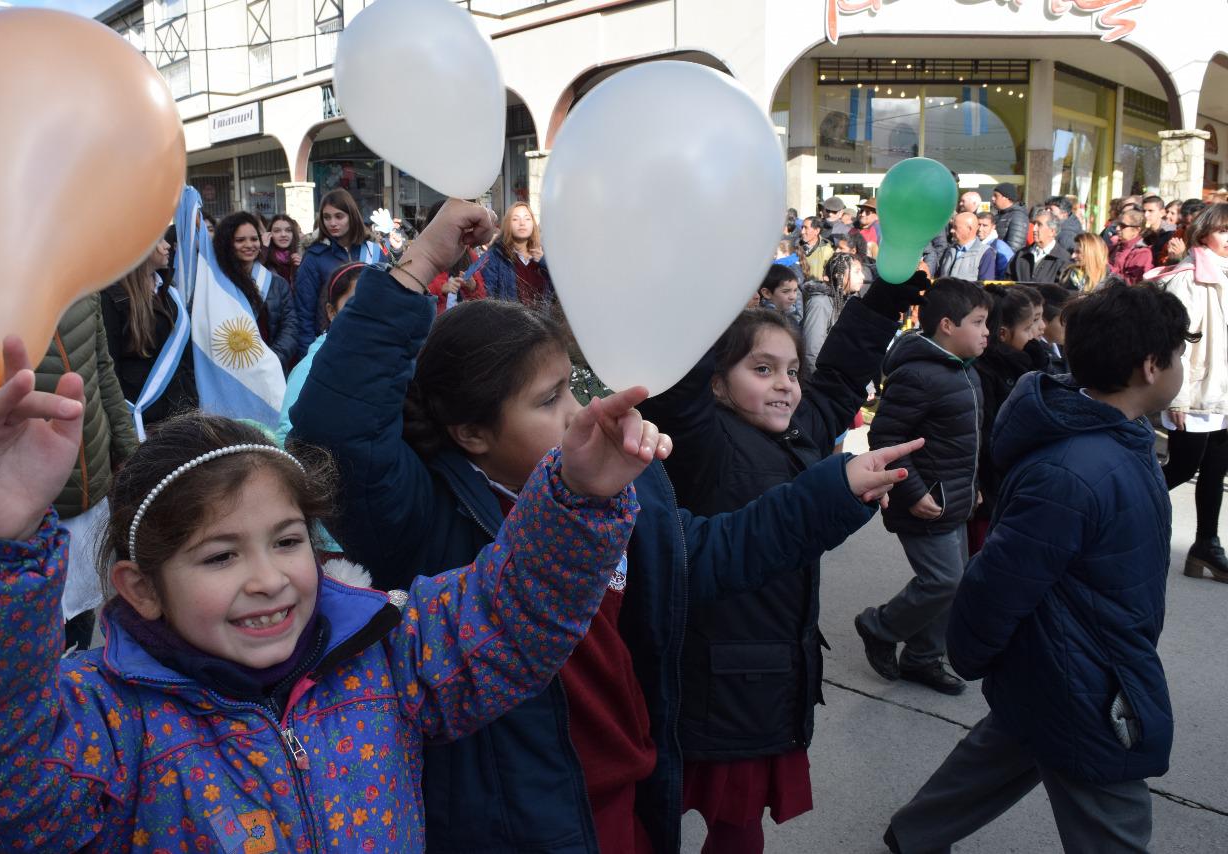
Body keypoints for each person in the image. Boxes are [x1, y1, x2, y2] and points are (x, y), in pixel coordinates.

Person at [289, 199, 917, 854]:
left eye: (570, 388)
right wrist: (420, 264)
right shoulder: (429, 519)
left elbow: (705, 553)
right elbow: (340, 432)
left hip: (629, 796)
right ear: (471, 432)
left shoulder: (614, 483)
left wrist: (831, 492)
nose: (574, 415)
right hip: (522, 819)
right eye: (546, 400)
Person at [0, 328, 656, 851]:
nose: (268, 580)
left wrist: (579, 496)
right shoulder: (109, 719)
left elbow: (509, 613)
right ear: (141, 589)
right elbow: (2, 796)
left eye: (287, 541)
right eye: (220, 556)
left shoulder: (386, 649)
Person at [883, 284, 1195, 854]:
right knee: (1112, 805)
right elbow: (999, 579)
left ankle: (914, 835)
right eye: (1179, 352)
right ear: (1151, 366)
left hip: (1068, 660)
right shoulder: (1076, 469)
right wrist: (973, 651)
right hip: (1085, 672)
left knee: (1015, 739)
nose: (1184, 364)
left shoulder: (1116, 442)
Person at [638, 274, 914, 854]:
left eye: (791, 371)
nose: (786, 386)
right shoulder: (702, 438)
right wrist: (708, 291)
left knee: (737, 829)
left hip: (766, 681)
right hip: (716, 683)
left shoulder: (798, 432)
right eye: (761, 370)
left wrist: (886, 298)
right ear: (716, 382)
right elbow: (677, 390)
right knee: (675, 821)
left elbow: (838, 379)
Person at [855, 279, 993, 696]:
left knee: (953, 584)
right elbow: (887, 438)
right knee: (942, 582)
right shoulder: (919, 374)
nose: (987, 331)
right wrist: (913, 492)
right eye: (979, 322)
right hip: (925, 502)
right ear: (947, 325)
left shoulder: (964, 371)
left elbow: (964, 441)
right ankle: (879, 626)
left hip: (953, 498)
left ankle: (922, 658)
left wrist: (974, 486)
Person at [36, 294, 140, 650]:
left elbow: (103, 371)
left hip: (92, 485)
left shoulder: (83, 288)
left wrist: (128, 451)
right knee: (37, 627)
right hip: (32, 501)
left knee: (82, 612)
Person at [1145, 202, 1228, 582]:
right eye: (1224, 230)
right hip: (1193, 390)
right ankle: (1117, 512)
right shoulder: (1189, 276)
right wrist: (1175, 395)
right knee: (1183, 465)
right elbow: (1174, 342)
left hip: (1221, 391)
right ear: (1205, 232)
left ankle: (1206, 545)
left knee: (1215, 467)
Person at [970, 285, 1046, 553]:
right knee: (981, 554)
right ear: (1003, 334)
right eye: (1030, 327)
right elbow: (984, 434)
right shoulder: (987, 372)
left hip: (1010, 481)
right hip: (989, 484)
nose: (1039, 332)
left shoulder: (1022, 363)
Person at [101, 238, 198, 432]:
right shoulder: (111, 298)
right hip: (144, 418)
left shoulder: (169, 291)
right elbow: (110, 367)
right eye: (159, 240)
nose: (168, 245)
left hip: (182, 408)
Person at [276, 262, 364, 445]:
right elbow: (287, 435)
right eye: (355, 304)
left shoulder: (390, 359)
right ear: (332, 312)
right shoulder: (310, 368)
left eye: (375, 303)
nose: (366, 312)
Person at [294, 188, 382, 357]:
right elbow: (304, 312)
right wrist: (308, 355)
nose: (332, 223)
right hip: (330, 344)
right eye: (326, 217)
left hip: (371, 341)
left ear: (352, 216)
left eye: (339, 216)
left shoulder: (374, 252)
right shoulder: (314, 256)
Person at [212, 211, 299, 369]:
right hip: (229, 369)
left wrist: (271, 360)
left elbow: (290, 327)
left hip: (269, 369)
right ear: (226, 243)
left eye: (254, 239)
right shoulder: (213, 283)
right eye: (240, 240)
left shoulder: (277, 284)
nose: (249, 245)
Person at [801, 251, 866, 379]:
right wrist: (823, 385)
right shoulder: (820, 303)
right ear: (839, 275)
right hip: (821, 384)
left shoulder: (847, 301)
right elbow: (812, 351)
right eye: (857, 272)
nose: (863, 276)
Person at [478, 201, 554, 308]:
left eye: (527, 218)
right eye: (515, 219)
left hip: (541, 322)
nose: (522, 223)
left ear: (533, 224)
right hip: (510, 321)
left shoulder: (544, 256)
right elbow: (486, 295)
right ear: (508, 224)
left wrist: (543, 262)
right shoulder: (495, 255)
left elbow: (558, 292)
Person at [1010, 213, 1071, 284]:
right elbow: (1008, 281)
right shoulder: (1020, 255)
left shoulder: (1063, 259)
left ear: (1052, 231)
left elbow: (1063, 291)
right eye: (1034, 224)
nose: (1034, 229)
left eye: (1039, 225)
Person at [938, 212, 997, 282]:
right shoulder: (949, 250)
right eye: (952, 227)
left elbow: (985, 286)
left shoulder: (985, 253)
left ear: (969, 229)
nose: (951, 231)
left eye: (955, 227)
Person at [1108, 209, 1155, 285]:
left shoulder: (1142, 253)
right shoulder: (1116, 246)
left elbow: (1132, 283)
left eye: (1123, 226)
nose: (1117, 229)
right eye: (1118, 224)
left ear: (1136, 230)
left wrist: (1107, 269)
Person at [1036, 284, 1071, 375]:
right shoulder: (1036, 355)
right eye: (1063, 321)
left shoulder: (1068, 349)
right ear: (1043, 321)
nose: (1069, 326)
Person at [757, 263, 803, 329]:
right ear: (767, 293)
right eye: (786, 291)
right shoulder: (763, 323)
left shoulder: (791, 318)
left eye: (795, 290)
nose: (793, 297)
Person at [263, 213, 302, 288]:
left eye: (288, 230)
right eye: (277, 231)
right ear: (269, 234)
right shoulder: (264, 258)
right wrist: (264, 250)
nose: (283, 234)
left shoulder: (302, 256)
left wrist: (301, 268)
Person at [991, 183, 1030, 249]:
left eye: (996, 196)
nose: (992, 198)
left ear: (1007, 197)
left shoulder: (1018, 216)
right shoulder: (999, 215)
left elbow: (1014, 247)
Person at [976, 211, 1013, 278]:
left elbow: (1005, 274)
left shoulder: (1000, 247)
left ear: (993, 227)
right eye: (978, 225)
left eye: (985, 225)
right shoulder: (973, 244)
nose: (980, 229)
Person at [798, 215, 834, 281]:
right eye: (802, 227)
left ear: (816, 231)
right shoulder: (796, 245)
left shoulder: (826, 250)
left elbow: (831, 276)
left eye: (806, 228)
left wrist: (821, 279)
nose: (802, 232)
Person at [1141, 194, 1175, 263]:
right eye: (1144, 211)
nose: (1146, 215)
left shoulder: (1171, 232)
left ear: (1162, 213)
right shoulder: (1143, 232)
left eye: (1151, 211)